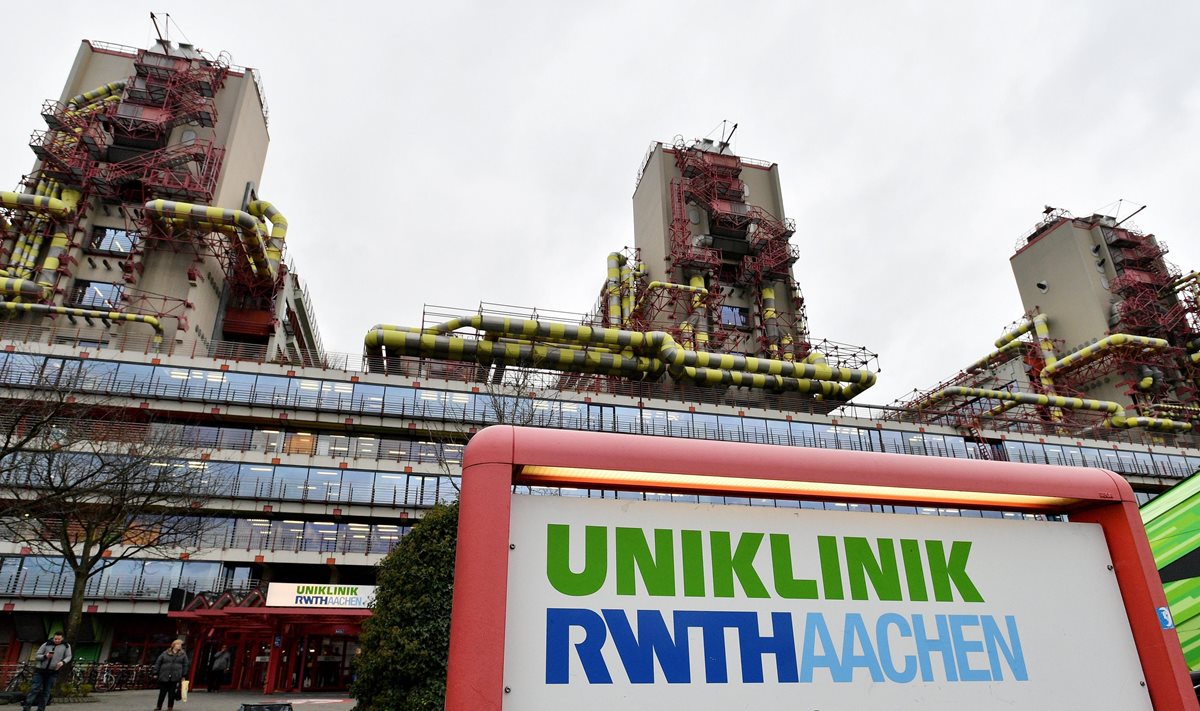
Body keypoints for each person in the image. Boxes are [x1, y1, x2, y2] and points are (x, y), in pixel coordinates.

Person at [22, 631, 71, 711]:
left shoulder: (66, 646)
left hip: (53, 672)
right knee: (34, 689)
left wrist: (63, 662)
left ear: (62, 639)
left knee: (46, 692)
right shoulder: (46, 644)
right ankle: (26, 708)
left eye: (59, 639)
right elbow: (37, 656)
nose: (57, 640)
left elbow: (69, 656)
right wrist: (45, 656)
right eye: (55, 639)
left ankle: (41, 709)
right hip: (40, 670)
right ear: (53, 637)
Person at [153, 639, 190, 711]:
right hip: (164, 675)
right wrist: (155, 672)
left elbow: (186, 665)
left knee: (172, 693)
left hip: (175, 676)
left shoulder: (183, 654)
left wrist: (184, 675)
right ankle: (158, 706)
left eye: (180, 645)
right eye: (178, 644)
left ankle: (170, 707)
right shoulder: (165, 653)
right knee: (162, 693)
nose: (179, 646)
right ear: (174, 645)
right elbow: (158, 662)